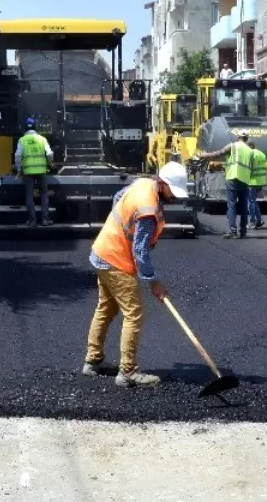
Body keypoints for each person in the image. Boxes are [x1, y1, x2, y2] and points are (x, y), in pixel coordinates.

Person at [83, 161, 189, 387]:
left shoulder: (142, 183)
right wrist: (153, 282)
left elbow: (118, 197)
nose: (174, 197)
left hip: (102, 250)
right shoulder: (148, 211)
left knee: (106, 307)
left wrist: (121, 230)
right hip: (116, 260)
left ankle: (93, 362)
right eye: (172, 191)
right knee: (134, 313)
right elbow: (140, 251)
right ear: (161, 184)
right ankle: (128, 372)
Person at [197, 130, 252, 239]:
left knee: (231, 205)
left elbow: (218, 154)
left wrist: (203, 155)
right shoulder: (250, 150)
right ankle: (243, 232)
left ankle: (233, 231)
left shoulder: (233, 146)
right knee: (244, 207)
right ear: (247, 138)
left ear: (238, 136)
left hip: (233, 178)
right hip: (245, 180)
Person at [14, 117, 54, 227]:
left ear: (25, 127)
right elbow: (50, 154)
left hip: (28, 172)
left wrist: (18, 169)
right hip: (42, 171)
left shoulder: (22, 140)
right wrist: (51, 163)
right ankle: (45, 220)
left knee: (29, 196)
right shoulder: (42, 139)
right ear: (35, 127)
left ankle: (32, 220)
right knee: (44, 194)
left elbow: (17, 156)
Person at [247, 140, 267, 230]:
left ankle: (252, 221)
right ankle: (259, 220)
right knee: (253, 201)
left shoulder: (250, 154)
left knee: (250, 202)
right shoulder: (261, 154)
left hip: (251, 181)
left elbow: (249, 168)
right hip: (260, 181)